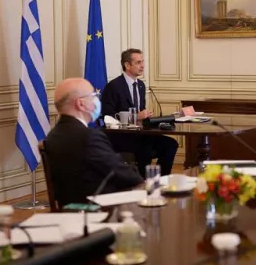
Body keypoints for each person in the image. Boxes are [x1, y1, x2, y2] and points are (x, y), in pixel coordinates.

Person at [45, 78, 143, 206]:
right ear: (81, 104)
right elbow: (123, 175)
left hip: (69, 208)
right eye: (93, 96)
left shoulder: (52, 136)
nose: (97, 100)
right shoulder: (89, 137)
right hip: (100, 208)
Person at [101, 48, 178, 176]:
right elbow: (107, 116)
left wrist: (147, 117)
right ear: (127, 65)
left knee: (171, 144)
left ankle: (161, 180)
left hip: (140, 133)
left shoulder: (141, 85)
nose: (142, 66)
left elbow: (141, 112)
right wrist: (135, 116)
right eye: (138, 62)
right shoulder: (113, 86)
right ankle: (143, 183)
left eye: (143, 62)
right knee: (145, 148)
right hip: (120, 136)